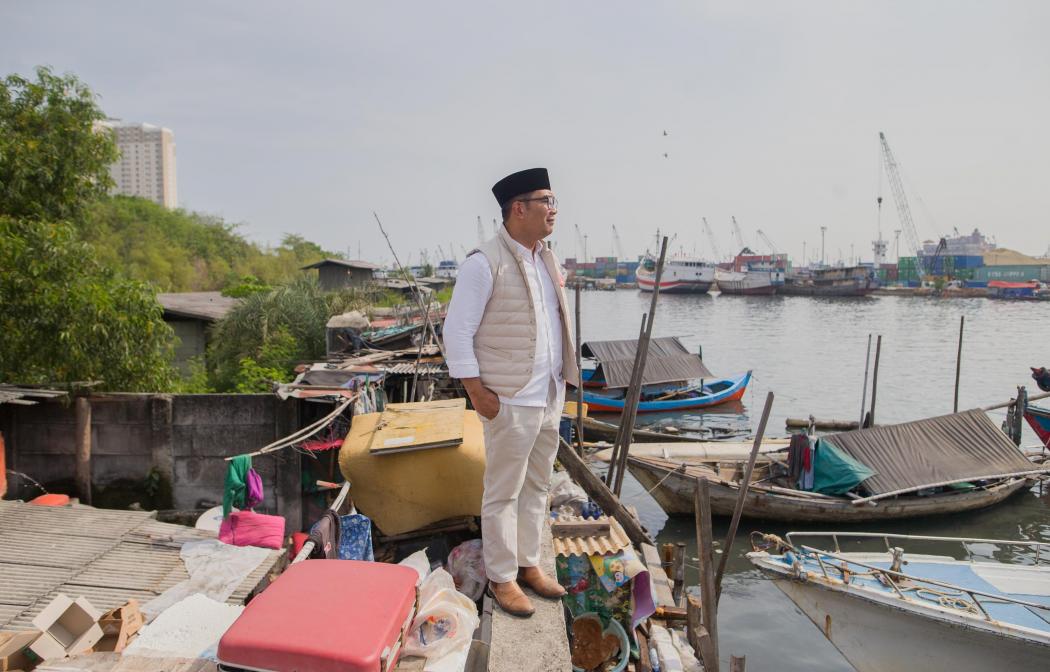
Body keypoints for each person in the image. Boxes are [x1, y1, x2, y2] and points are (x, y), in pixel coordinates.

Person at [443, 167, 580, 617]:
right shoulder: (483, 263)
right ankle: (503, 579)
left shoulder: (546, 259)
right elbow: (456, 333)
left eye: (554, 201)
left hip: (548, 395)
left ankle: (528, 564)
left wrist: (565, 380)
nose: (554, 209)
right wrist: (477, 393)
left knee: (537, 485)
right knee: (503, 492)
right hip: (509, 398)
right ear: (518, 209)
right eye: (546, 201)